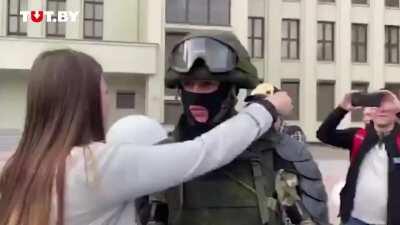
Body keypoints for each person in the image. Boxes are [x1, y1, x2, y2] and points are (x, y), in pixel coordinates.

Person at [0, 49, 293, 225]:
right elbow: (204, 152)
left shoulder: (16, 169)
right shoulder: (96, 167)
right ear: (85, 101)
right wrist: (268, 107)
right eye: (104, 92)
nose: (108, 101)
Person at [146, 32, 329, 225]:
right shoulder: (162, 156)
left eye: (207, 84)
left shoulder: (282, 153)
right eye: (189, 84)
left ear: (232, 91)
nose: (196, 94)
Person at [317, 91, 400, 225]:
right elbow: (323, 134)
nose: (382, 110)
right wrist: (342, 109)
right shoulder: (358, 136)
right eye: (376, 106)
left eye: (387, 106)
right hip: (355, 219)